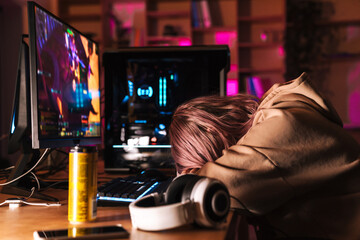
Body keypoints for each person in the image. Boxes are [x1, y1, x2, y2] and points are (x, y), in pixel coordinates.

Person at [169, 73, 360, 239]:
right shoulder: (278, 114)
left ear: (212, 131)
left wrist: (189, 176)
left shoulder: (280, 127)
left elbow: (210, 186)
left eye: (202, 162)